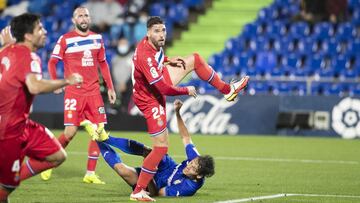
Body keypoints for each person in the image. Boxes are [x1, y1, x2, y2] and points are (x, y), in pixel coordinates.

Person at [129, 16, 249, 201]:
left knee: (194, 59)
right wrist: (186, 89)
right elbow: (163, 89)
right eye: (156, 31)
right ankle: (138, 191)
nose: (161, 35)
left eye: (163, 30)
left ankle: (228, 90)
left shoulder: (152, 46)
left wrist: (168, 60)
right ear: (147, 33)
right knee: (160, 148)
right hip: (149, 98)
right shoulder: (145, 55)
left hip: (153, 86)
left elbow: (156, 62)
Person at [0, 13, 83, 202]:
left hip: (22, 125)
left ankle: (12, 178)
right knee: (5, 192)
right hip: (8, 131)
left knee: (57, 156)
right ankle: (8, 182)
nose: (45, 32)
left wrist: (6, 45)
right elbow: (35, 86)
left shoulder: (7, 51)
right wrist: (66, 81)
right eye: (40, 28)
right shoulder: (30, 57)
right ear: (28, 36)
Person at [42, 6, 116, 184]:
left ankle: (90, 174)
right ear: (74, 20)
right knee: (69, 132)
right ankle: (49, 164)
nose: (83, 18)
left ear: (89, 19)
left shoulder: (97, 38)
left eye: (86, 15)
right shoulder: (65, 39)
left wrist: (111, 87)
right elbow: (52, 62)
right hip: (74, 93)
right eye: (80, 16)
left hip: (94, 93)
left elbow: (103, 64)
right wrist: (55, 82)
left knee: (99, 131)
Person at [84, 99, 215, 198]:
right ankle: (105, 137)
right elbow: (185, 137)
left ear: (199, 175)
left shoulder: (189, 188)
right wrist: (177, 113)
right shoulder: (197, 159)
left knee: (121, 169)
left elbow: (159, 193)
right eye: (191, 163)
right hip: (167, 166)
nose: (189, 165)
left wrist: (150, 172)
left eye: (192, 168)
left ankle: (96, 137)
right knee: (150, 151)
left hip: (156, 184)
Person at [111, 37, 133, 113]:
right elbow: (112, 73)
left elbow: (135, 73)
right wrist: (117, 85)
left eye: (124, 43)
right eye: (121, 43)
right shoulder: (115, 58)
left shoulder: (133, 56)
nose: (122, 45)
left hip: (130, 89)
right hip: (117, 88)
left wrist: (126, 84)